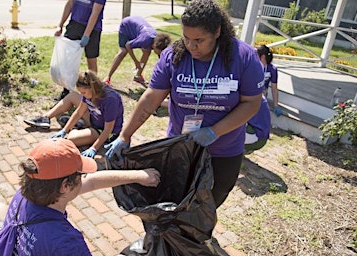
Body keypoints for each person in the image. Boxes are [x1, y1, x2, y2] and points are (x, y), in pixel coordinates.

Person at [105, 0, 264, 209]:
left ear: (217, 32)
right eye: (186, 38)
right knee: (175, 203)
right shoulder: (174, 56)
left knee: (207, 207)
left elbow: (251, 104)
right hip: (180, 147)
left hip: (223, 151)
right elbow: (151, 97)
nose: (191, 46)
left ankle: (196, 238)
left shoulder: (242, 57)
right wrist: (125, 135)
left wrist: (214, 131)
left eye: (199, 40)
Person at [0, 138, 160, 256]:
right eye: (81, 175)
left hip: (7, 246)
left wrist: (138, 175)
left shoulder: (27, 193)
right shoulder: (66, 242)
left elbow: (92, 182)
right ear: (65, 186)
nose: (85, 178)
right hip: (48, 243)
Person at [50, 71, 123, 159]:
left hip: (104, 131)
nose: (82, 95)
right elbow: (79, 112)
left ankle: (81, 128)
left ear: (92, 88)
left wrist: (93, 148)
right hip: (94, 118)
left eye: (83, 92)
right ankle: (45, 118)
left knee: (71, 139)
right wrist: (65, 130)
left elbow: (108, 129)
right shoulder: (90, 92)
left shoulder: (111, 100)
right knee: (72, 96)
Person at [53, 0, 106, 102]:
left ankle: (93, 92)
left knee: (91, 60)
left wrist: (86, 35)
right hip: (75, 24)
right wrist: (60, 25)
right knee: (68, 61)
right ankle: (66, 90)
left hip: (93, 28)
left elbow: (95, 12)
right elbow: (70, 3)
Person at [104, 16, 172, 86]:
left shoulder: (158, 41)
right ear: (154, 46)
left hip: (137, 26)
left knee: (147, 52)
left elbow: (162, 60)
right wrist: (136, 62)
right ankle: (107, 77)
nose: (160, 53)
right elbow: (128, 45)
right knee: (123, 51)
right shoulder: (145, 40)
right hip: (126, 25)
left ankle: (138, 76)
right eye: (159, 51)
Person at [257, 44, 282, 117]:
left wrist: (276, 105)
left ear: (263, 56)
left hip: (263, 93)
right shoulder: (254, 66)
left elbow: (274, 88)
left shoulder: (272, 69)